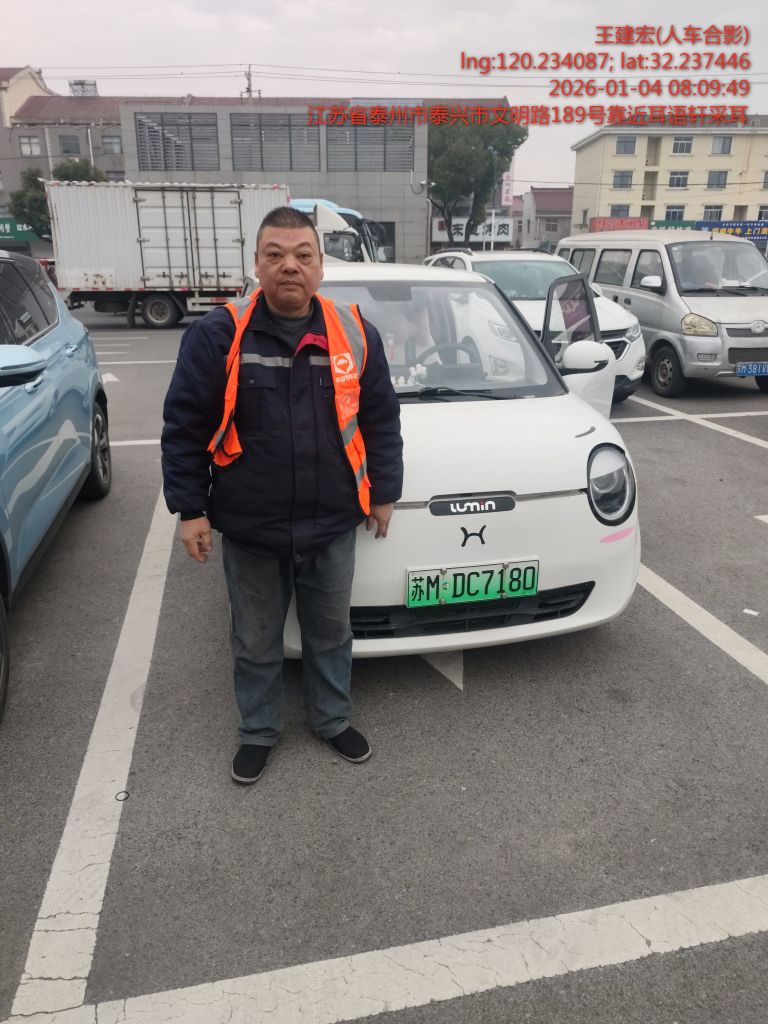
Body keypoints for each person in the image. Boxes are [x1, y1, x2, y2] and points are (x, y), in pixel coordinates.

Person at [161, 207, 403, 784]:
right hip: (252, 525)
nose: (288, 266)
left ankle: (331, 719)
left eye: (302, 255)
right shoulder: (219, 334)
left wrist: (384, 493)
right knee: (255, 639)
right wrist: (190, 510)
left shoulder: (354, 334)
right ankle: (258, 731)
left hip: (331, 522)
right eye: (275, 255)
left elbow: (380, 419)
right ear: (257, 264)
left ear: (320, 266)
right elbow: (185, 426)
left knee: (330, 633)